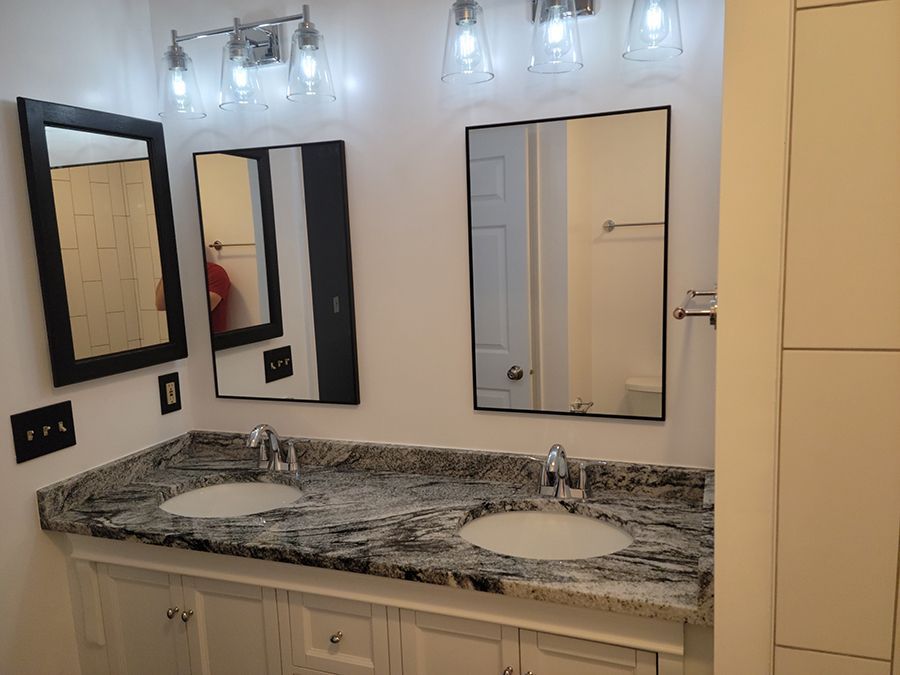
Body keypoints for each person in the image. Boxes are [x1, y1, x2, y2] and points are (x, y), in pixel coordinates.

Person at [155, 262, 231, 333]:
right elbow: (160, 305)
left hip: (210, 340)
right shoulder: (175, 273)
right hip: (181, 339)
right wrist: (169, 269)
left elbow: (199, 311)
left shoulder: (214, 272)